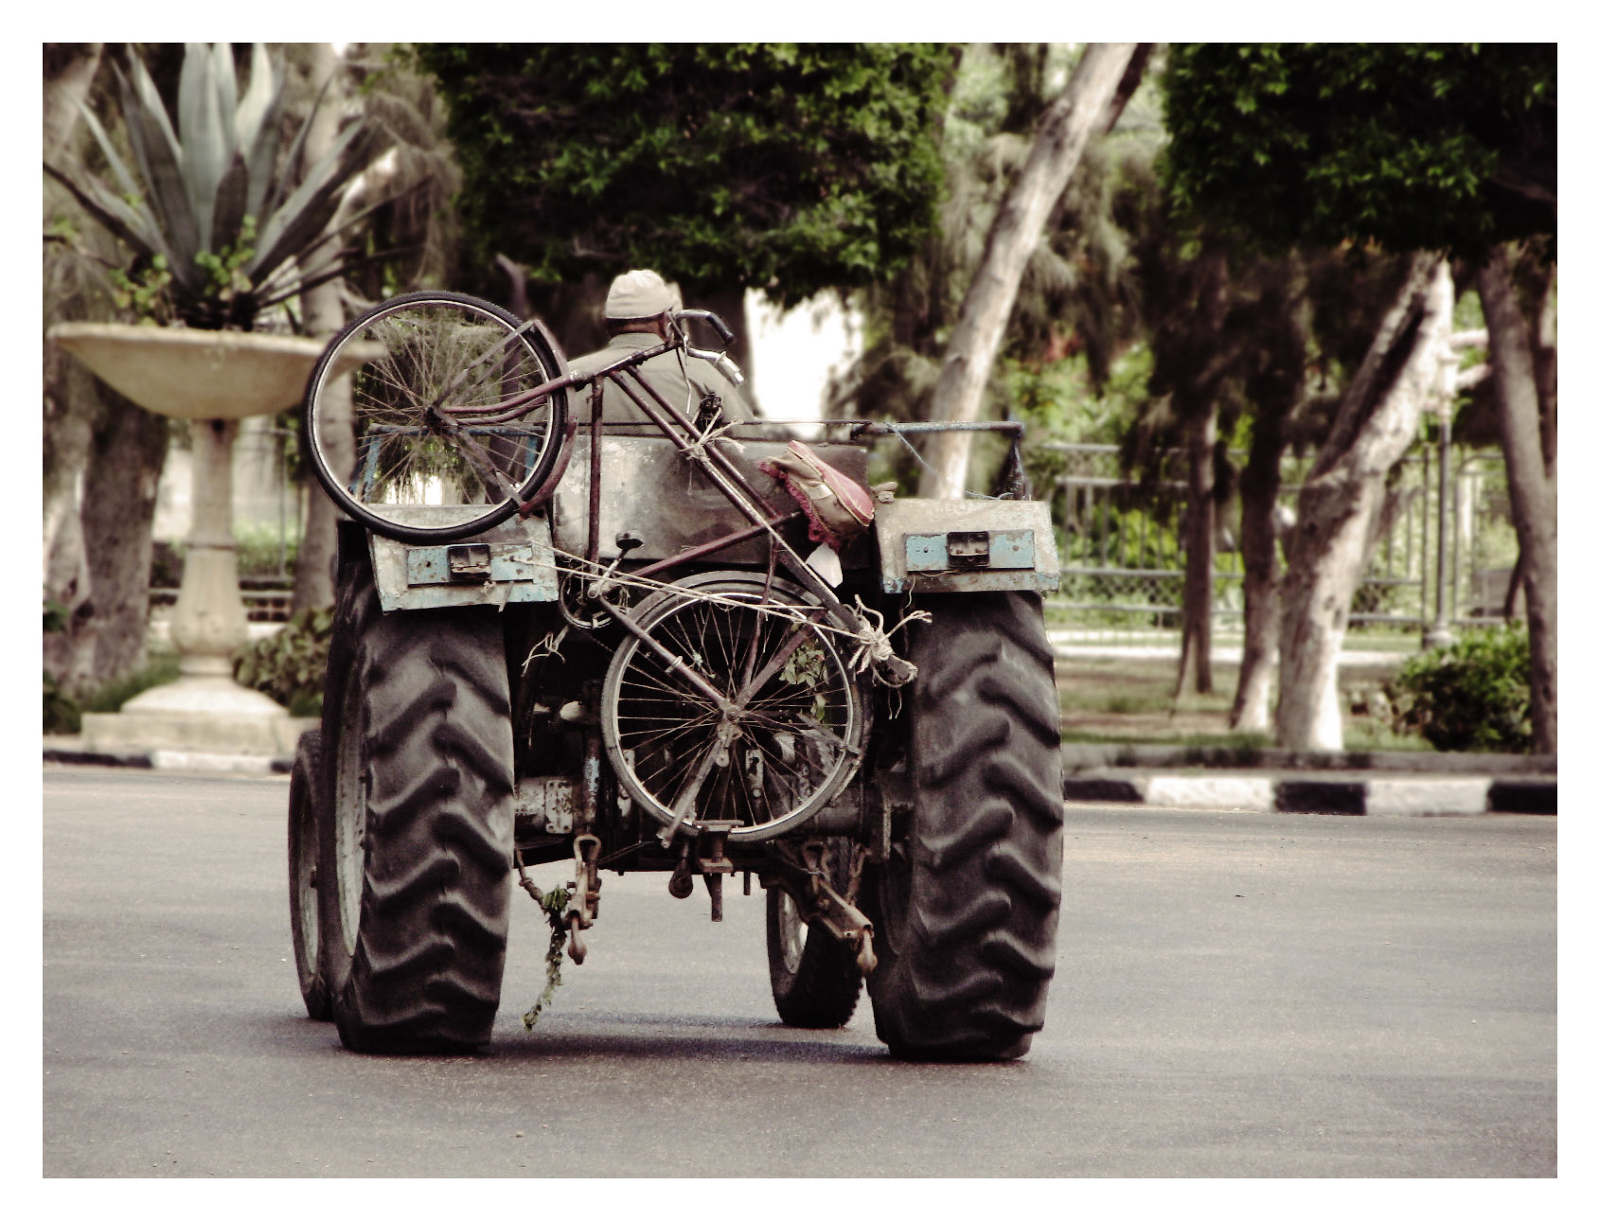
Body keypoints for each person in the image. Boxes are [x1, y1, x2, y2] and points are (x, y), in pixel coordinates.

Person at [565, 269, 754, 427]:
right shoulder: (702, 375)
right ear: (667, 320)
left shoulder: (565, 376)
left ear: (606, 323)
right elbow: (747, 441)